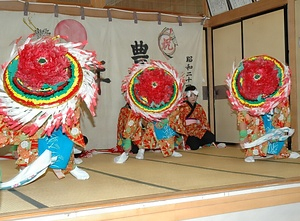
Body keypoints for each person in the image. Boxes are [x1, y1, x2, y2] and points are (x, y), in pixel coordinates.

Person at [180, 85, 226, 150]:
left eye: (195, 95)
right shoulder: (182, 107)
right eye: (191, 95)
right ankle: (193, 143)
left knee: (211, 137)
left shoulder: (199, 107)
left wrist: (204, 127)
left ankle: (199, 142)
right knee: (194, 146)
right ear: (186, 96)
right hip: (187, 131)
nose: (194, 97)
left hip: (197, 129)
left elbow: (203, 119)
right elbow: (179, 120)